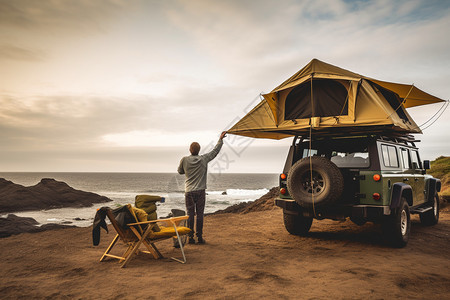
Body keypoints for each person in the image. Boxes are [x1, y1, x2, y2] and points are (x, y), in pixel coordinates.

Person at [177, 131, 227, 244]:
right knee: (200, 214)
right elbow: (215, 152)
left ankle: (190, 238)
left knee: (190, 214)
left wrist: (188, 170)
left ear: (190, 150)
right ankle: (199, 237)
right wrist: (220, 139)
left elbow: (180, 171)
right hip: (200, 191)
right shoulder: (204, 159)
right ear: (199, 150)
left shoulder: (184, 160)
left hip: (189, 191)